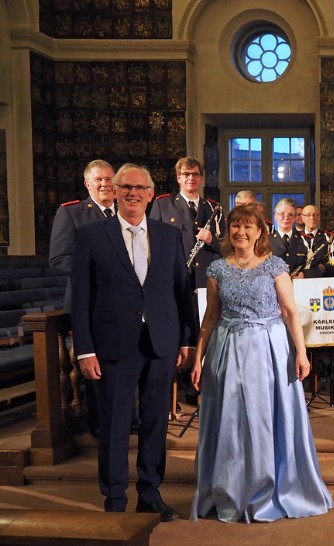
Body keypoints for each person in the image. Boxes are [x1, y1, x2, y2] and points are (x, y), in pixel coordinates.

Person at [190, 204, 334, 522]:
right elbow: (210, 317)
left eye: (248, 226)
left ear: (260, 232)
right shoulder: (217, 269)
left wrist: (301, 352)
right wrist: (198, 358)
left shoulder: (275, 266)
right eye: (235, 226)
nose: (241, 232)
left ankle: (272, 487)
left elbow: (290, 312)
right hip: (227, 350)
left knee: (265, 417)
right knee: (230, 421)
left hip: (269, 349)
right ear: (228, 230)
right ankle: (231, 489)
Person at [71, 163, 198, 521]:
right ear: (114, 189)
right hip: (111, 346)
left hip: (161, 343)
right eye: (125, 186)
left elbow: (181, 292)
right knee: (114, 424)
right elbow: (80, 297)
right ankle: (114, 501)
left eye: (140, 189)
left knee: (156, 422)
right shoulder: (94, 236)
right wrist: (85, 348)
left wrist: (187, 341)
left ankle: (149, 493)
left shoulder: (168, 235)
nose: (132, 193)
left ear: (149, 194)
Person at [49, 159, 118, 438]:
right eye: (98, 180)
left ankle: (129, 416)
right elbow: (59, 259)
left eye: (109, 179)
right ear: (88, 184)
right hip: (89, 304)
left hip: (124, 306)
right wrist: (95, 271)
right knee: (94, 365)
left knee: (125, 361)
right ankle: (99, 422)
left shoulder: (127, 214)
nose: (105, 184)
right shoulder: (73, 214)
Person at [149, 157, 224, 290]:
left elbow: (227, 247)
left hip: (206, 279)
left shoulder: (214, 208)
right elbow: (152, 242)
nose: (191, 178)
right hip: (174, 277)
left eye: (195, 174)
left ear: (201, 179)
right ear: (179, 178)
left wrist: (212, 239)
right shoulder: (163, 205)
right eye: (186, 174)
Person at [268, 198, 308, 276]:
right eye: (282, 213)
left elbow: (315, 267)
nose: (286, 217)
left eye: (290, 214)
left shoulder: (305, 240)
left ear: (294, 218)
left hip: (299, 285)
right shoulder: (266, 241)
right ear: (275, 216)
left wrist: (304, 274)